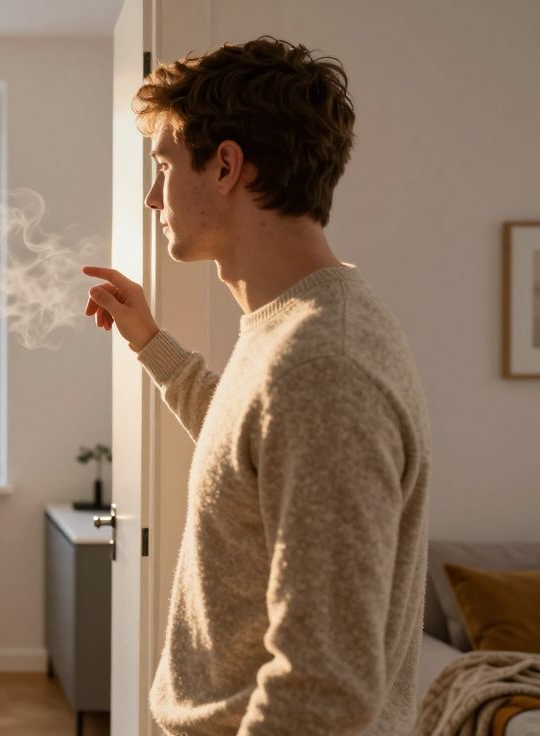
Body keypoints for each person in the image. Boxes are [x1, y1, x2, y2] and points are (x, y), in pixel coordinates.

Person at [82, 37, 432, 734]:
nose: (153, 197)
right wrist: (153, 347)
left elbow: (324, 687)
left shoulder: (324, 363)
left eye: (164, 167)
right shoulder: (292, 329)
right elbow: (253, 449)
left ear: (226, 166)